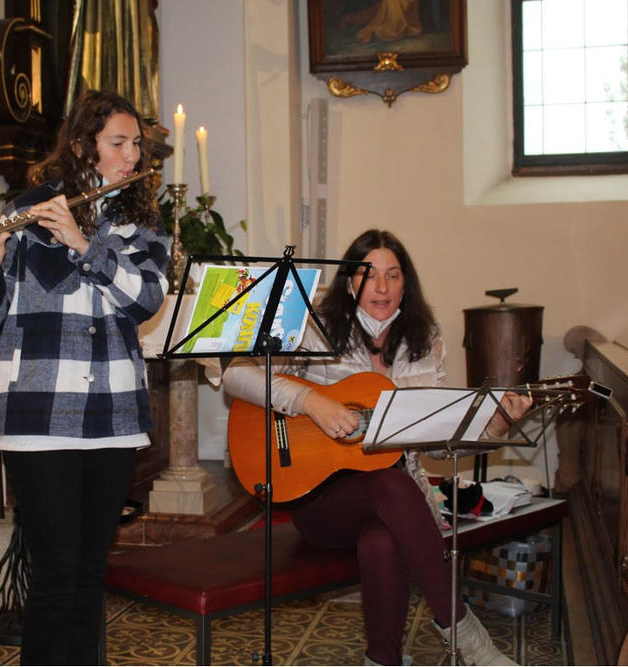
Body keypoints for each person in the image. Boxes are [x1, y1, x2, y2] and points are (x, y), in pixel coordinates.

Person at [222, 229, 528, 666]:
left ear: (406, 283)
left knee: (382, 538)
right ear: (350, 282)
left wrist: (496, 423)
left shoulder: (425, 339)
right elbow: (235, 376)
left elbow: (436, 446)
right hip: (319, 498)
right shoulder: (313, 327)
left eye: (393, 275)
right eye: (369, 275)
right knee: (391, 484)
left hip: (395, 505)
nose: (381, 287)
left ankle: (382, 661)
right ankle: (466, 636)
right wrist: (310, 402)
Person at [0, 89, 170, 665]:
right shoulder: (26, 213)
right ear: (82, 147)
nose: (133, 156)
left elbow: (146, 299)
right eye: (119, 143)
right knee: (54, 572)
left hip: (112, 413)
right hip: (39, 411)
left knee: (88, 570)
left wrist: (82, 242)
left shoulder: (142, 225)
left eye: (136, 145)